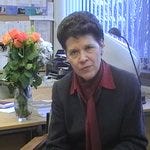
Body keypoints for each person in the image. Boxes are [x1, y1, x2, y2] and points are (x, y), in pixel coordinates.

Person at [47, 11, 148, 150]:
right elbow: (55, 144)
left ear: (101, 45)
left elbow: (136, 142)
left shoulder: (128, 85)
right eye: (74, 52)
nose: (82, 58)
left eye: (89, 48)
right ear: (67, 56)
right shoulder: (61, 89)